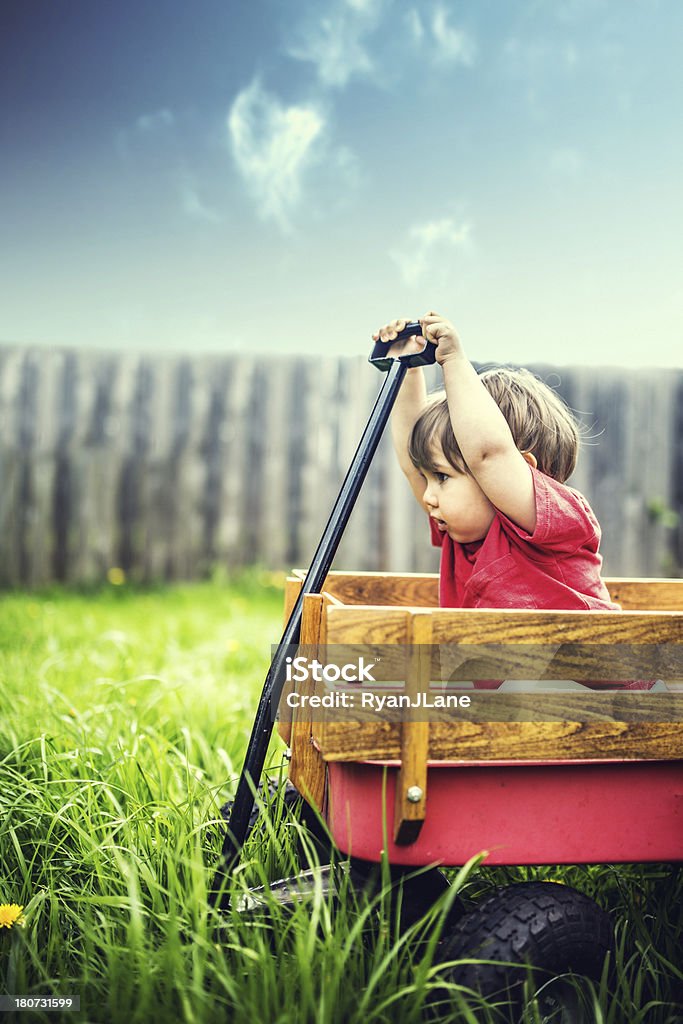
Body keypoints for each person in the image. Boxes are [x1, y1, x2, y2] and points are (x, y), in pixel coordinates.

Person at [374, 310, 657, 690]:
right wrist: (408, 368)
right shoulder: (465, 532)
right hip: (523, 711)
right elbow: (412, 462)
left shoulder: (554, 523)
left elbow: (488, 455)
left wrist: (455, 363)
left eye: (442, 477)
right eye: (429, 478)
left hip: (604, 702)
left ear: (520, 471)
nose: (427, 494)